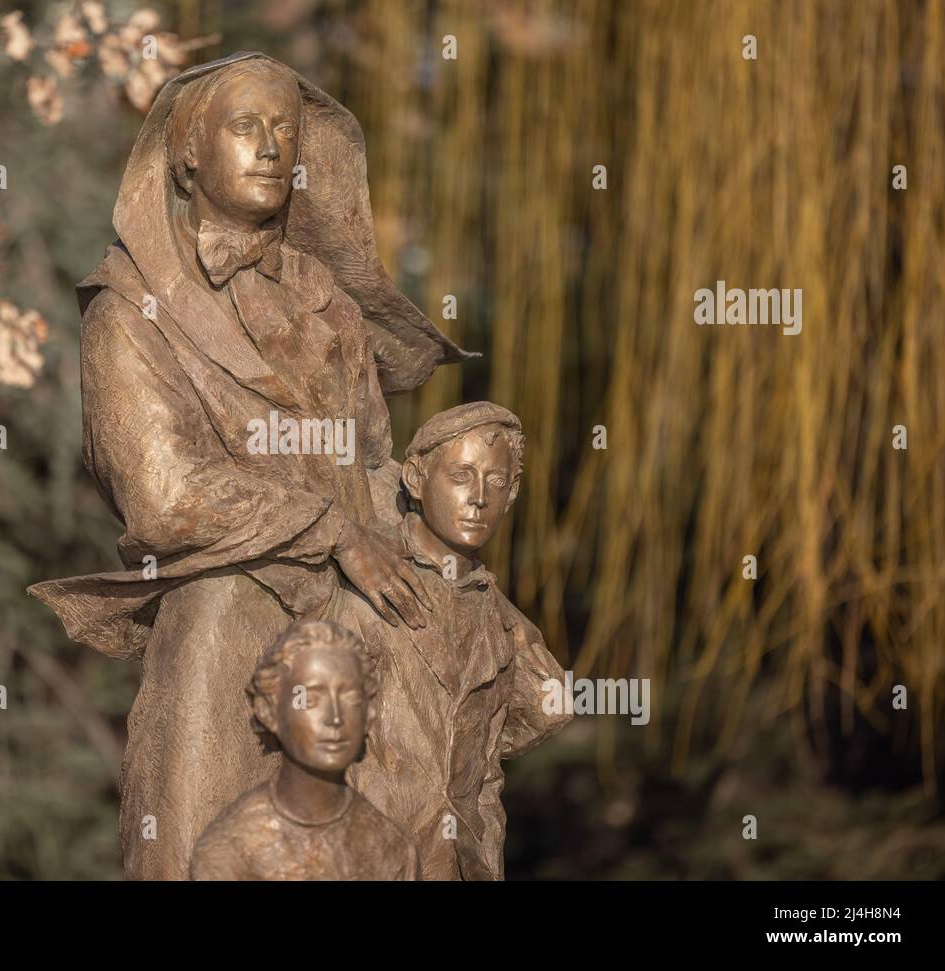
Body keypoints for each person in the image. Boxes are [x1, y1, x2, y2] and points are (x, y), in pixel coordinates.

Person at [29, 52, 472, 879]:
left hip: (356, 620)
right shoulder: (129, 312)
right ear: (187, 153)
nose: (271, 147)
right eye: (245, 127)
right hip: (227, 612)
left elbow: (372, 463)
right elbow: (163, 493)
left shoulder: (328, 303)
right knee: (194, 840)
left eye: (285, 130)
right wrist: (329, 528)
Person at [342, 401, 574, 880]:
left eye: (495, 482)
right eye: (461, 475)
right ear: (414, 479)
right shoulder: (368, 585)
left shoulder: (499, 622)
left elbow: (505, 748)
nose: (479, 499)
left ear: (511, 495)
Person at [190, 620, 418, 880]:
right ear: (269, 712)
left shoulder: (392, 850)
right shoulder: (230, 852)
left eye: (351, 699)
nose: (335, 718)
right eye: (310, 699)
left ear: (369, 714)